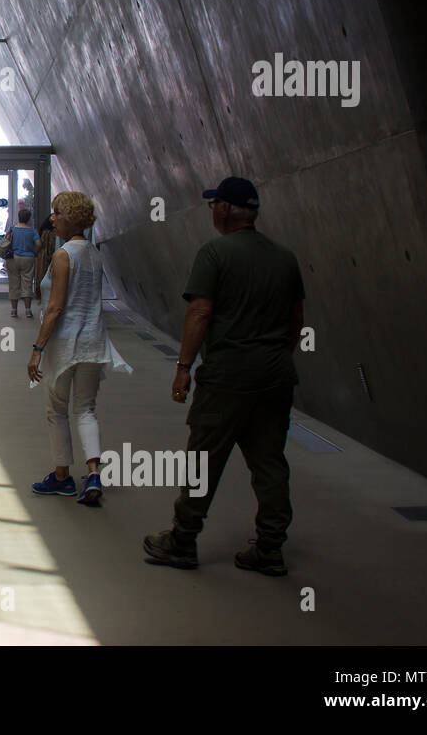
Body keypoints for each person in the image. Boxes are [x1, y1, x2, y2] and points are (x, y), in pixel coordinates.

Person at [141, 177, 304, 575]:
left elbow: (199, 313)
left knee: (204, 459)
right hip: (276, 375)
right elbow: (297, 320)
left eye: (213, 204)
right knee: (269, 462)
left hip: (227, 376)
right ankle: (270, 547)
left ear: (226, 209)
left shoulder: (214, 253)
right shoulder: (285, 258)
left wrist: (183, 368)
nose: (211, 210)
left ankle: (182, 541)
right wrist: (274, 356)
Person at [27, 192, 131, 505]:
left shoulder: (63, 255)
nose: (53, 218)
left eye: (57, 213)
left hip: (65, 344)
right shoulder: (94, 254)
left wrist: (37, 349)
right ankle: (94, 473)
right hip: (94, 342)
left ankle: (61, 478)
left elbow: (56, 308)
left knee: (56, 411)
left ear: (70, 217)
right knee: (85, 409)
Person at [6, 208, 39, 317]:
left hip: (13, 258)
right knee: (27, 283)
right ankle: (28, 310)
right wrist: (34, 252)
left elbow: (6, 240)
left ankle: (14, 310)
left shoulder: (13, 229)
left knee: (14, 283)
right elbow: (39, 244)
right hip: (28, 258)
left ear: (19, 217)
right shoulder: (32, 231)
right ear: (29, 218)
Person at [33, 214, 56, 302]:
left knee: (41, 276)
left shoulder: (43, 231)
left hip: (42, 258)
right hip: (49, 257)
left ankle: (42, 297)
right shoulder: (53, 233)